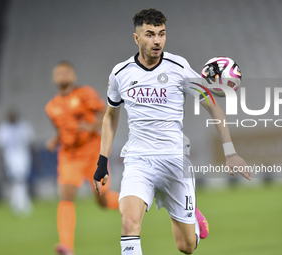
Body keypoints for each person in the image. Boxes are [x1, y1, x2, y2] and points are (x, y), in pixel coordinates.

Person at [93, 8, 251, 255]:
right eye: (150, 34)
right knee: (129, 223)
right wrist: (102, 160)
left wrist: (230, 152)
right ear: (137, 38)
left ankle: (194, 220)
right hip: (138, 161)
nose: (157, 41)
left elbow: (214, 107)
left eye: (161, 34)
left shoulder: (179, 68)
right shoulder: (120, 74)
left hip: (175, 162)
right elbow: (110, 116)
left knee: (186, 246)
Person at [45, 61, 119, 255]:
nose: (62, 75)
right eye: (58, 72)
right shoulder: (52, 107)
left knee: (102, 201)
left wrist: (92, 126)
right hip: (69, 155)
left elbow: (105, 113)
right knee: (66, 194)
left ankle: (136, 201)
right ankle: (66, 246)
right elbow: (64, 130)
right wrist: (55, 140)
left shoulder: (84, 94)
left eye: (65, 71)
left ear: (73, 76)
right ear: (54, 78)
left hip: (92, 152)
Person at [0, 108, 35, 215]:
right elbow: (0, 145)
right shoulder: (4, 128)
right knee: (16, 180)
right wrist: (0, 160)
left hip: (22, 155)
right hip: (10, 156)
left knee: (21, 179)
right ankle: (20, 203)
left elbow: (30, 142)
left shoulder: (23, 126)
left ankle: (19, 203)